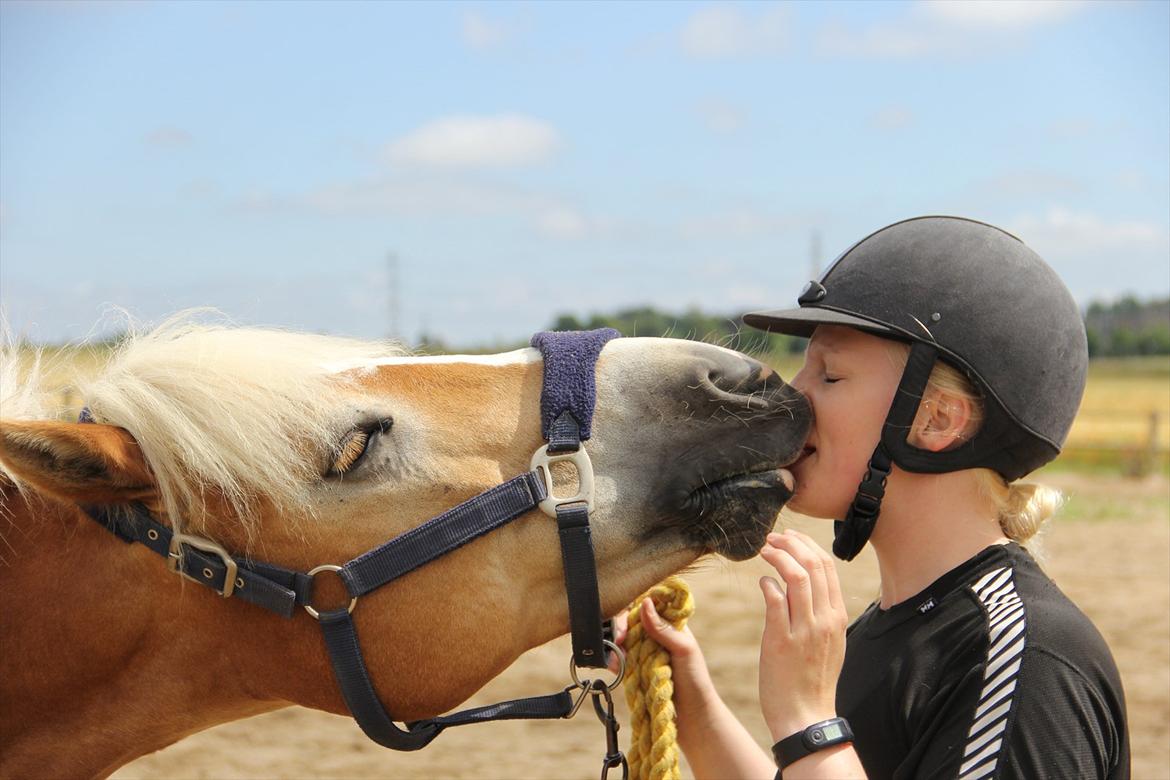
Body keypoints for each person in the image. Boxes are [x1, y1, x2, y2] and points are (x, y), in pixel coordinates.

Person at [615, 216, 1130, 779]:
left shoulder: (1025, 659)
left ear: (935, 419)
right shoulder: (890, 629)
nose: (794, 395)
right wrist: (693, 704)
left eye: (830, 376)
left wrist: (806, 720)